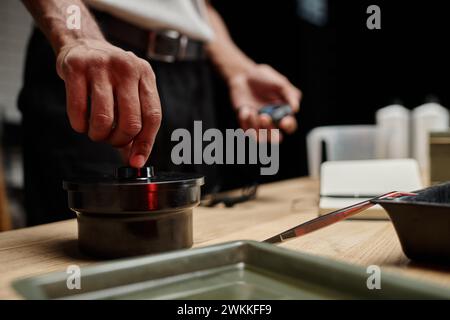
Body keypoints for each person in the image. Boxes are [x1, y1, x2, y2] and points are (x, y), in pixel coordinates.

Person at [19, 0, 302, 225]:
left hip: (190, 75)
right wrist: (78, 36)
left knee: (199, 231)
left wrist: (238, 69)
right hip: (96, 60)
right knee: (86, 243)